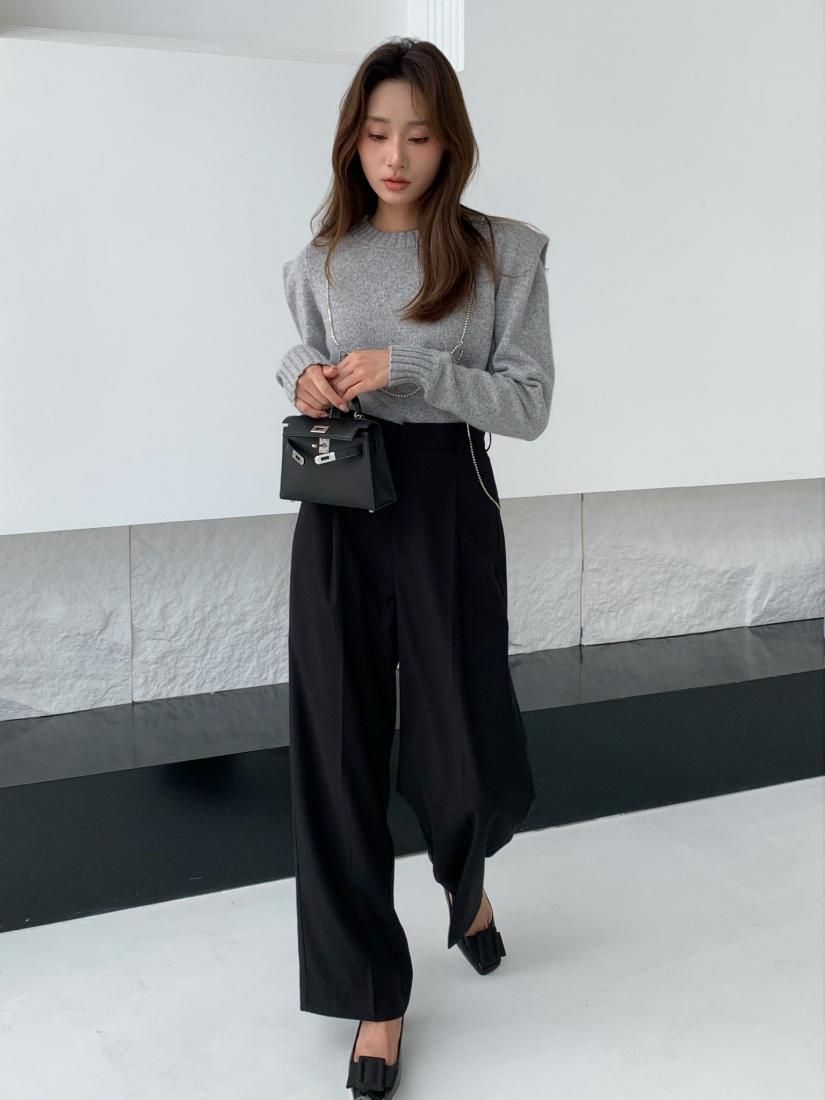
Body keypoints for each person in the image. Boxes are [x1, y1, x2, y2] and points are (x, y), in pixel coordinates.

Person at [277, 36, 554, 1099]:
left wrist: (417, 367)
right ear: (352, 139)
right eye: (377, 133)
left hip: (447, 497)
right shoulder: (322, 259)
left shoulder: (503, 254)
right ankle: (374, 993)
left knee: (463, 732)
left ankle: (463, 876)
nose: (395, 157)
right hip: (341, 499)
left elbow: (527, 405)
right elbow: (299, 350)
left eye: (420, 135)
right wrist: (302, 373)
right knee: (336, 740)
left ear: (451, 143)